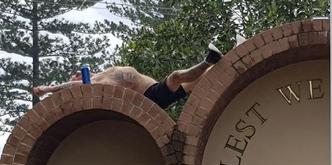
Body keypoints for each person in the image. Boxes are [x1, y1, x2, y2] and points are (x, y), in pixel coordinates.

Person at [32, 37, 224, 110]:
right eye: (73, 78)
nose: (74, 76)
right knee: (175, 77)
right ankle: (209, 60)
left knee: (197, 81)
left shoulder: (101, 74)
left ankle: (229, 58)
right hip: (150, 99)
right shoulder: (95, 86)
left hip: (153, 90)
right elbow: (72, 87)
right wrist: (47, 89)